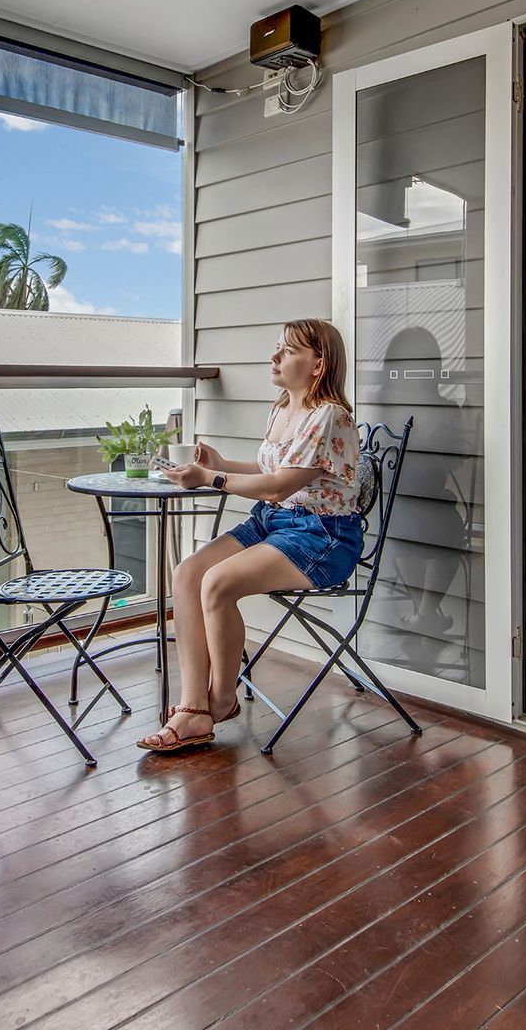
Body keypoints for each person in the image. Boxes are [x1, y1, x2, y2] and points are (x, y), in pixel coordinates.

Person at [137, 317, 364, 752]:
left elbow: (280, 486)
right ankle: (192, 705)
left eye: (289, 351)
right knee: (187, 574)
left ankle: (218, 701)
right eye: (277, 348)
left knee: (218, 583)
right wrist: (220, 464)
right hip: (273, 520)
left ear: (319, 364)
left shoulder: (329, 416)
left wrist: (210, 478)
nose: (274, 357)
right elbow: (270, 473)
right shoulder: (283, 408)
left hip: (321, 535)